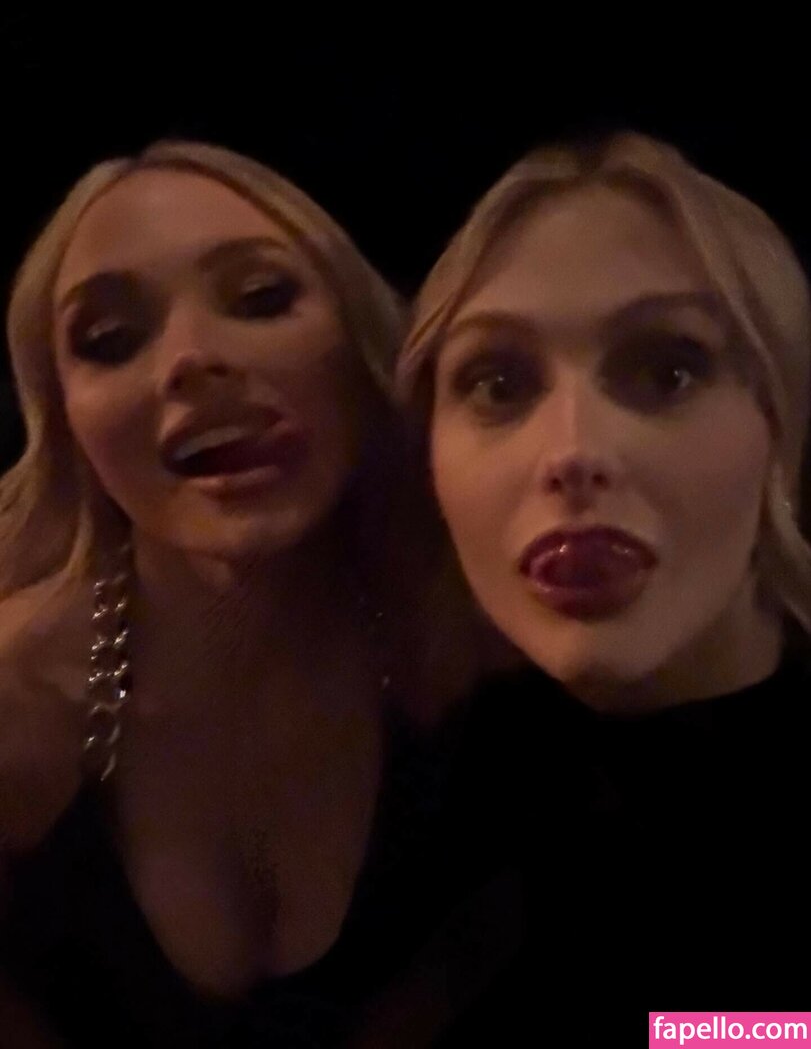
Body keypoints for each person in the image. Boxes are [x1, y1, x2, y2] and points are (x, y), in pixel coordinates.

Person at [0, 140, 484, 1048]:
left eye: (260, 298)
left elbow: (723, 1024)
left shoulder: (489, 659)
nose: (190, 359)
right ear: (68, 422)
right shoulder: (18, 715)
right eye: (109, 340)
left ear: (363, 341)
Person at [397, 132, 811, 1042]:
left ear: (779, 423)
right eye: (497, 382)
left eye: (666, 371)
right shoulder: (405, 808)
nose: (573, 450)